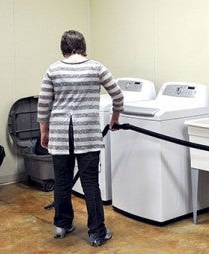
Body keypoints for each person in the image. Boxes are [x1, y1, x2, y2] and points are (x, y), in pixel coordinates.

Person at [37, 30, 124, 247]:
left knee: (62, 182)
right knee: (90, 184)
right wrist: (114, 118)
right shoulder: (96, 67)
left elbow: (44, 104)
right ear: (83, 46)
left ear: (63, 48)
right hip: (87, 134)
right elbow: (118, 95)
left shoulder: (54, 69)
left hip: (59, 133)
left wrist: (44, 131)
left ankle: (62, 224)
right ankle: (97, 232)